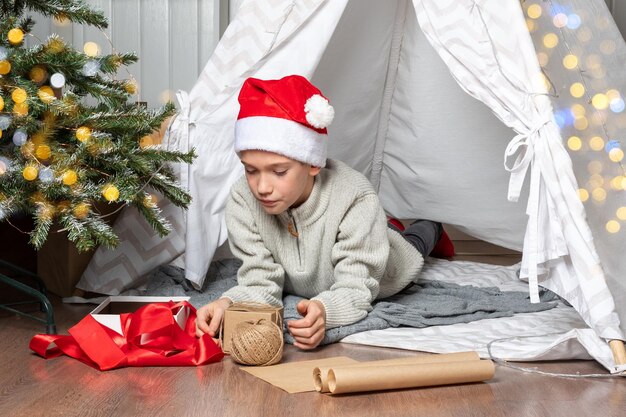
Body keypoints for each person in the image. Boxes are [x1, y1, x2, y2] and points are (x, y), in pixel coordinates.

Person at [195, 75, 442, 350]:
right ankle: (387, 225)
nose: (262, 187)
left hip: (390, 261)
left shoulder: (356, 196)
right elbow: (259, 279)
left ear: (313, 164)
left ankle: (431, 226)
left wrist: (326, 310)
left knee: (413, 244)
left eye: (279, 172)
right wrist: (230, 303)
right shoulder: (242, 199)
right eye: (250, 170)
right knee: (380, 228)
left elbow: (356, 286)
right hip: (358, 233)